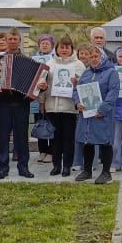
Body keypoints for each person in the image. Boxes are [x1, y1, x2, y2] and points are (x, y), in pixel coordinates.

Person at [0, 29, 35, 179]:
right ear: (6, 40)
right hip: (3, 103)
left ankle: (23, 167)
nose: (13, 41)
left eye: (15, 39)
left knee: (22, 137)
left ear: (19, 41)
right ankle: (3, 168)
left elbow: (36, 80)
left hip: (22, 104)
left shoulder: (28, 60)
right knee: (3, 137)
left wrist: (37, 88)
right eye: (10, 39)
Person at [73, 42, 118, 184]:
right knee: (88, 142)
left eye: (96, 55)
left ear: (102, 56)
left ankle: (106, 173)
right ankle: (87, 170)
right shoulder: (86, 72)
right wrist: (77, 103)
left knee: (105, 142)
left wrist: (102, 109)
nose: (93, 58)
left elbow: (113, 92)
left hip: (102, 115)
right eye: (91, 56)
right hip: (86, 115)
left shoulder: (111, 72)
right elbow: (77, 90)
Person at [44, 35, 84, 177]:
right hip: (52, 106)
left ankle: (67, 165)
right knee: (55, 138)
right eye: (62, 47)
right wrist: (43, 86)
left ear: (72, 48)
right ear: (57, 49)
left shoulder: (78, 64)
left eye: (67, 47)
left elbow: (84, 85)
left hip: (69, 108)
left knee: (68, 138)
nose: (64, 50)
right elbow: (43, 83)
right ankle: (56, 165)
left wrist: (77, 81)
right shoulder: (49, 64)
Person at [31, 35, 56, 163]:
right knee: (40, 123)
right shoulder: (34, 59)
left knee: (51, 125)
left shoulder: (55, 59)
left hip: (51, 98)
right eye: (42, 43)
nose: (45, 45)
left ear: (52, 45)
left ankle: (52, 151)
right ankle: (42, 151)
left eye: (47, 43)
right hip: (37, 99)